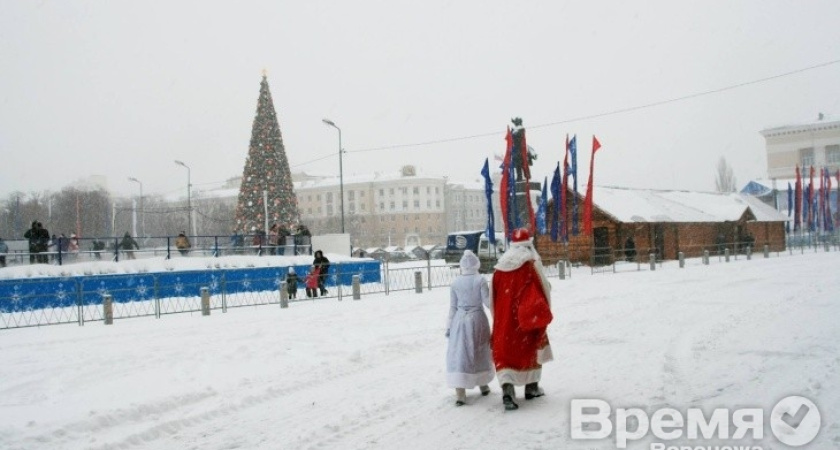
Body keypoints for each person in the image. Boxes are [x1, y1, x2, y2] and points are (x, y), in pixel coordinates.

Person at [490, 228, 553, 411]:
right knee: (529, 350)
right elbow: (544, 288)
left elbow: (492, 297)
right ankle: (531, 387)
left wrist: (499, 318)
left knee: (505, 355)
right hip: (527, 319)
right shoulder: (530, 265)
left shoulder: (499, 268)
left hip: (504, 321)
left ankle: (508, 391)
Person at [445, 250, 494, 406]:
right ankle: (483, 383)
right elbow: (488, 302)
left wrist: (449, 326)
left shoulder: (455, 282)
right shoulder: (480, 280)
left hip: (459, 321)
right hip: (478, 319)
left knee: (461, 353)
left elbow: (452, 307)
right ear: (476, 264)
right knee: (480, 350)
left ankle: (460, 391)